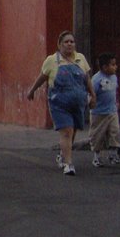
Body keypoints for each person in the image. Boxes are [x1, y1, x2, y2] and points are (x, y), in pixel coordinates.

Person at [27, 30, 96, 176]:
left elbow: (87, 79)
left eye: (72, 41)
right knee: (67, 131)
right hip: (59, 104)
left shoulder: (80, 59)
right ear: (59, 45)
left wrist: (93, 95)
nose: (69, 44)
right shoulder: (52, 60)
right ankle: (68, 164)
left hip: (78, 103)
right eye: (66, 42)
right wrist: (32, 90)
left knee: (73, 131)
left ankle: (63, 154)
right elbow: (42, 77)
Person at [89, 53, 120, 168]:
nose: (115, 67)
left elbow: (115, 91)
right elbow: (91, 94)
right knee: (97, 135)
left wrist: (117, 103)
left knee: (115, 131)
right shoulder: (96, 79)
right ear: (104, 67)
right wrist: (91, 103)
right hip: (99, 113)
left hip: (112, 111)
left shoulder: (114, 77)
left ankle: (113, 154)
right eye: (112, 65)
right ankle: (97, 156)